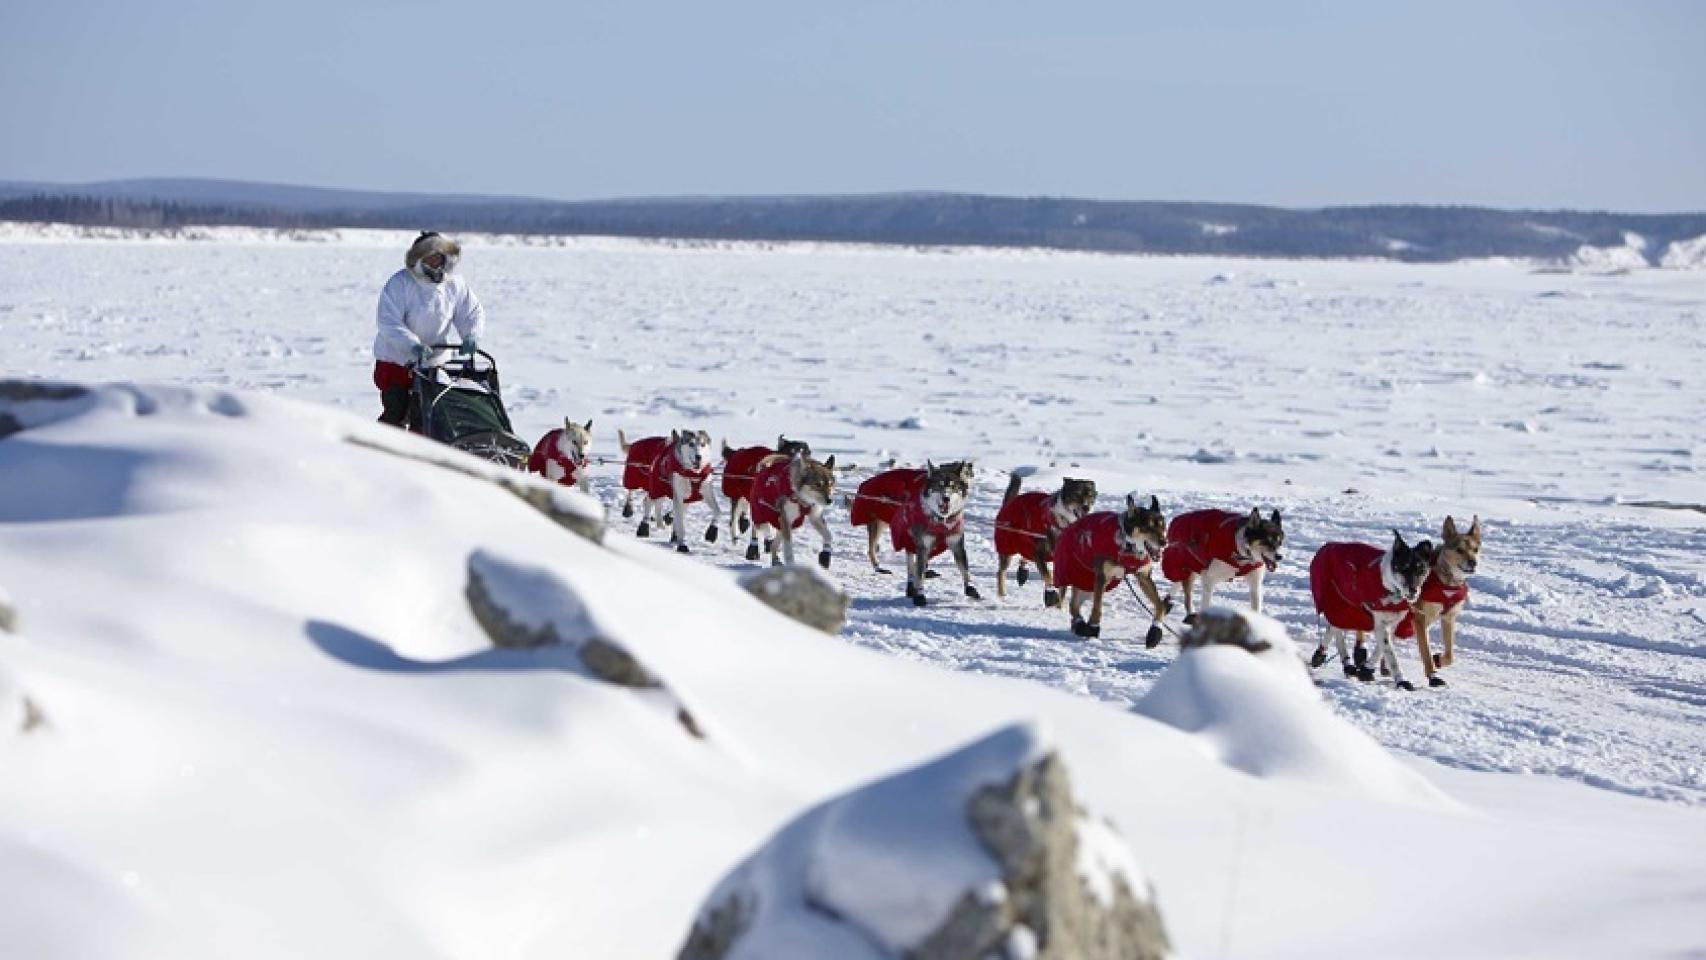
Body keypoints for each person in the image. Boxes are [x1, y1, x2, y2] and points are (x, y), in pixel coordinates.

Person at [372, 231, 487, 427]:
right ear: (419, 260)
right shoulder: (400, 283)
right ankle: (382, 450)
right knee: (396, 413)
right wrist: (412, 345)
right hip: (396, 361)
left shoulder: (455, 285)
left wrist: (471, 335)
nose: (435, 264)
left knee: (426, 417)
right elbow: (388, 322)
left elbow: (471, 313)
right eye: (429, 259)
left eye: (438, 258)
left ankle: (419, 453)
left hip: (433, 364)